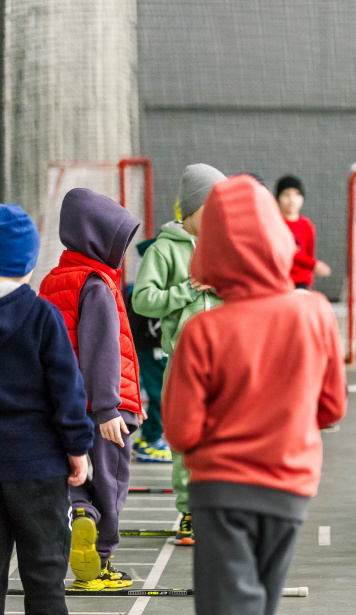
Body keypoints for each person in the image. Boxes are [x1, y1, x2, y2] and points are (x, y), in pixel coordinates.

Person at [163, 175, 346, 615]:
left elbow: (179, 430)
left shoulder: (202, 331)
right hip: (290, 491)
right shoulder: (314, 313)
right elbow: (330, 409)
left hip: (222, 495)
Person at [0, 205, 93, 615]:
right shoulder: (42, 317)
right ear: (29, 264)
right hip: (38, 466)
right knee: (45, 567)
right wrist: (78, 448)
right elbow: (67, 390)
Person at [38, 188, 143, 590]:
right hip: (106, 409)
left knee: (79, 476)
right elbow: (103, 351)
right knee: (111, 479)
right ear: (97, 238)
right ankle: (100, 561)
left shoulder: (53, 280)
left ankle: (81, 515)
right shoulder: (96, 284)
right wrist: (110, 408)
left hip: (65, 405)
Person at [133, 163, 226, 546]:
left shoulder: (225, 247)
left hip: (225, 362)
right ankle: (189, 512)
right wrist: (186, 291)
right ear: (190, 210)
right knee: (185, 436)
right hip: (183, 361)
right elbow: (142, 300)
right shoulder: (163, 250)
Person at [126, 237, 170, 463]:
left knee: (160, 389)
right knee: (161, 391)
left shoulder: (146, 282)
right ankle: (151, 440)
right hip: (152, 346)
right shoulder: (150, 286)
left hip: (150, 345)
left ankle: (148, 438)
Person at [275, 175, 330, 290]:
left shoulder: (306, 225)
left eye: (296, 194)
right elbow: (287, 252)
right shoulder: (275, 224)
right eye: (286, 194)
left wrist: (309, 276)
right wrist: (313, 264)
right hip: (280, 280)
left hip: (301, 283)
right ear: (278, 198)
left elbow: (309, 253)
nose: (291, 199)